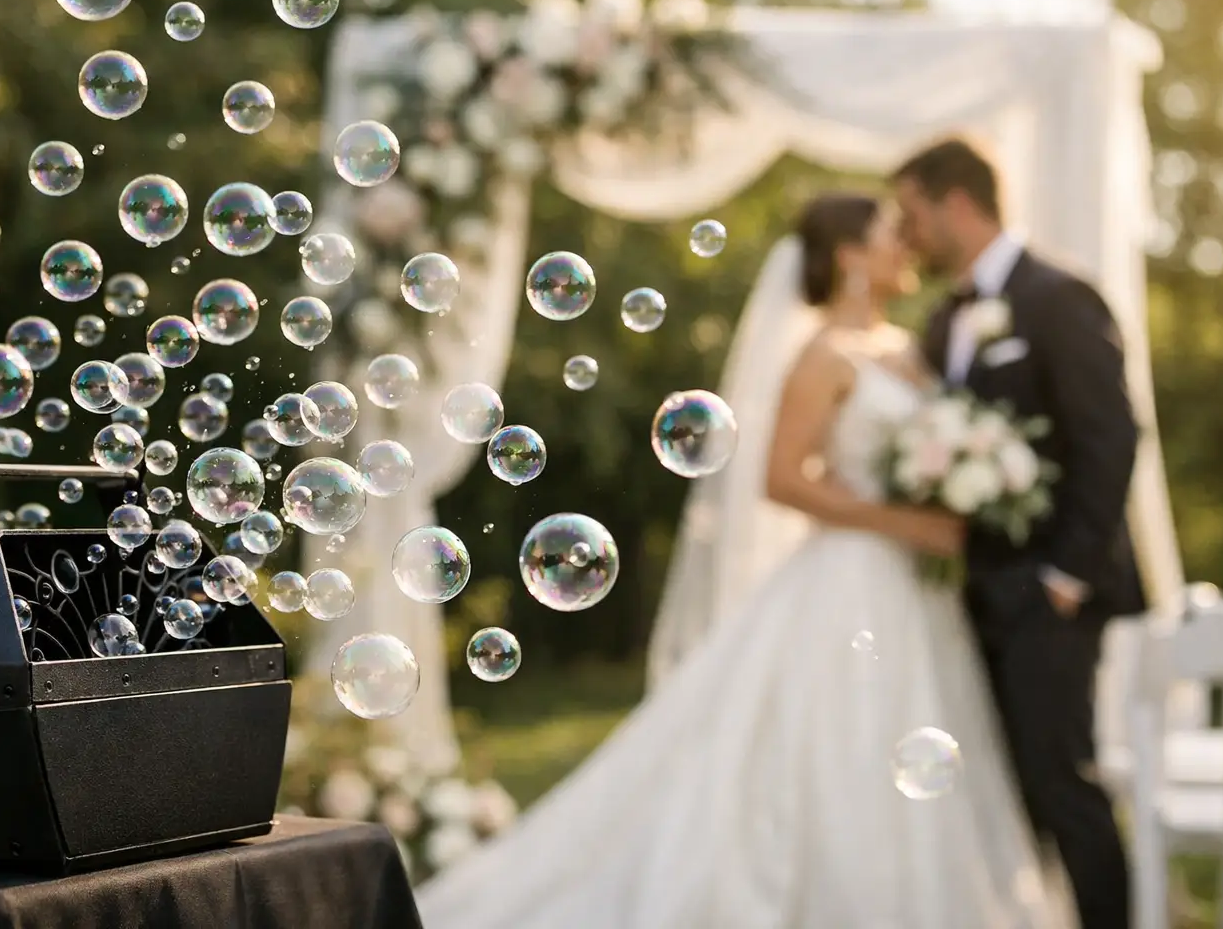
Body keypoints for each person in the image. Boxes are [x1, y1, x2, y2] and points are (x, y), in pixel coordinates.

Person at [414, 192, 1072, 927]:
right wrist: (908, 523)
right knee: (838, 742)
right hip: (850, 578)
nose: (907, 246)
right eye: (891, 234)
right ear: (850, 256)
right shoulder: (821, 355)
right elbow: (782, 478)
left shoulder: (910, 350)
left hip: (917, 589)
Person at [893, 137, 1147, 929]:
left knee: (1061, 782)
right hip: (974, 593)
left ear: (957, 204)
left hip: (1052, 595)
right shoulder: (943, 322)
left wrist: (1066, 578)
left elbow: (1110, 435)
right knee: (1005, 794)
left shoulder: (1058, 296)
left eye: (913, 216)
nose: (907, 237)